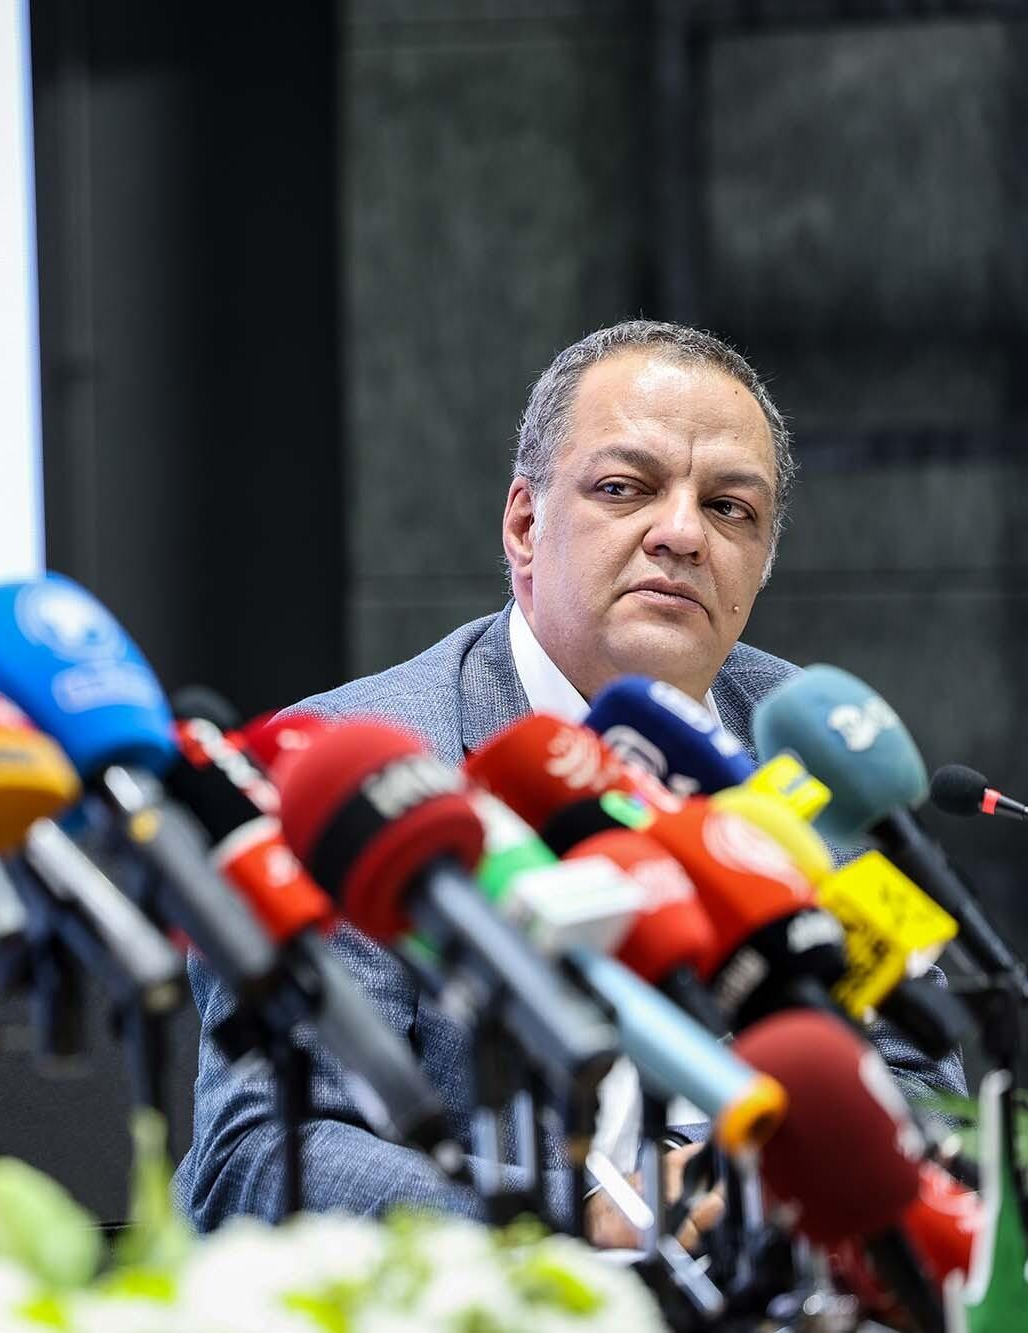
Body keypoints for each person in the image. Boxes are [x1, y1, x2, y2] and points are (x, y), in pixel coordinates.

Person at [175, 319, 968, 1234]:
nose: (682, 533)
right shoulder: (346, 767)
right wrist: (588, 1218)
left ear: (762, 564)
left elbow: (921, 1079)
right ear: (525, 524)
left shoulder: (811, 746)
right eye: (625, 488)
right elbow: (264, 1151)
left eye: (729, 508)